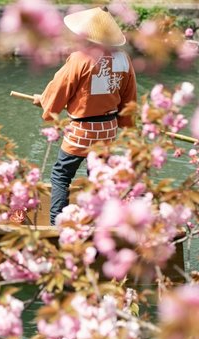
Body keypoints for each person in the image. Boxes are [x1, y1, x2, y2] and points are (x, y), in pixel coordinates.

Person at [32, 7, 137, 225]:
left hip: (82, 130)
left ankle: (56, 223)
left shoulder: (80, 59)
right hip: (108, 129)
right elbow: (129, 97)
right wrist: (126, 123)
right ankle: (99, 222)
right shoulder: (124, 59)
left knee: (61, 174)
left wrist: (46, 102)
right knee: (98, 178)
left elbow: (60, 89)